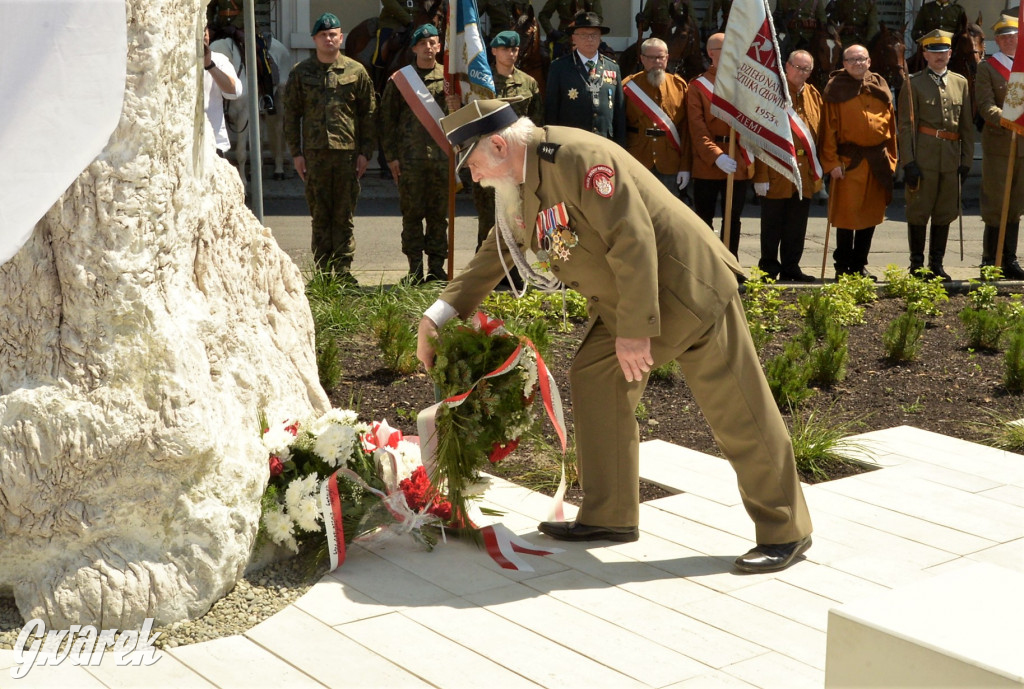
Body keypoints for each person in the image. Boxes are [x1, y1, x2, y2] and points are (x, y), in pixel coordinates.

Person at [417, 99, 813, 573]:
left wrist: (633, 332)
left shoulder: (578, 159)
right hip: (629, 300)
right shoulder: (520, 178)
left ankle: (785, 530)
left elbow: (633, 237)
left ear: (499, 144)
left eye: (474, 164)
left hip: (685, 290)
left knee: (738, 411)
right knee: (595, 376)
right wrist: (439, 314)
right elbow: (501, 245)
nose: (474, 177)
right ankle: (610, 514)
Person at [282, 13, 375, 276]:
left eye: (333, 34)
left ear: (341, 37)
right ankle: (324, 274)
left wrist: (366, 153)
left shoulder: (357, 72)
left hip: (347, 156)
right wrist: (296, 154)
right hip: (314, 156)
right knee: (320, 215)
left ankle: (343, 272)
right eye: (323, 35)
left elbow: (368, 114)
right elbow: (291, 115)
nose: (328, 38)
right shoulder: (301, 73)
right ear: (314, 40)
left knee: (344, 215)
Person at [898, 30, 973, 281]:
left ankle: (937, 264)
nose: (940, 56)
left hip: (951, 159)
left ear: (950, 54)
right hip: (924, 158)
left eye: (944, 52)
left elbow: (966, 126)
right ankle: (917, 265)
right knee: (918, 211)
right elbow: (906, 126)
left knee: (945, 212)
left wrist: (966, 160)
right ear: (925, 54)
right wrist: (908, 162)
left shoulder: (961, 83)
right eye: (934, 52)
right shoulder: (913, 83)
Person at [380, 23, 450, 283]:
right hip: (410, 160)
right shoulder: (401, 80)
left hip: (441, 159)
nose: (428, 48)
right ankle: (415, 268)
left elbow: (457, 119)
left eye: (433, 43)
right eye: (423, 44)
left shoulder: (449, 78)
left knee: (438, 216)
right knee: (412, 215)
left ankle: (436, 267)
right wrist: (391, 157)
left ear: (439, 46)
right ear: (414, 48)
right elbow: (387, 120)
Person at [820, 44, 897, 280]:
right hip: (847, 162)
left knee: (870, 216)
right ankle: (842, 267)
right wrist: (831, 162)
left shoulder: (880, 86)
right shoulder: (836, 89)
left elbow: (891, 126)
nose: (857, 63)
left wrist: (892, 160)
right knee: (846, 216)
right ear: (843, 64)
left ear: (869, 61)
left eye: (861, 59)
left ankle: (859, 265)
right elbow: (828, 129)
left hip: (876, 161)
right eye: (851, 60)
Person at [752, 50, 823, 282]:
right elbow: (760, 136)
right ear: (786, 66)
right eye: (797, 67)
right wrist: (760, 175)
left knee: (797, 224)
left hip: (804, 170)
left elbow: (819, 134)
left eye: (806, 69)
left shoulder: (813, 94)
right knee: (772, 223)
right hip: (776, 167)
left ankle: (792, 267)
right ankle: (769, 269)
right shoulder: (772, 93)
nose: (801, 72)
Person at [471, 31, 544, 253]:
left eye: (514, 49)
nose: (511, 53)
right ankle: (485, 267)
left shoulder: (528, 83)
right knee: (487, 216)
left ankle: (514, 269)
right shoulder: (482, 82)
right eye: (505, 49)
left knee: (517, 216)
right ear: (493, 51)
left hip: (516, 162)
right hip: (489, 159)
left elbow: (536, 122)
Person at [686, 32, 750, 258]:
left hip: (738, 158)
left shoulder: (744, 84)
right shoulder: (698, 86)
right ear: (711, 53)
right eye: (726, 49)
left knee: (733, 219)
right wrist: (716, 156)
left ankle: (731, 264)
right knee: (704, 218)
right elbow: (697, 128)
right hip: (709, 162)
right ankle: (705, 263)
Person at [976, 13, 1024, 279]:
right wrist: (1008, 120)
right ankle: (989, 260)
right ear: (997, 40)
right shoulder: (988, 67)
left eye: (1014, 36)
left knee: (1016, 203)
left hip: (1022, 148)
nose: (1009, 41)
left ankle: (1009, 259)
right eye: (1004, 37)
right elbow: (985, 105)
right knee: (996, 202)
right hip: (999, 145)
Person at [622, 37, 691, 198]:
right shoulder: (628, 86)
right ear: (642, 59)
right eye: (652, 58)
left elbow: (686, 130)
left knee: (668, 215)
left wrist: (685, 166)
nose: (657, 61)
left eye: (661, 57)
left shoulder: (679, 86)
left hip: (670, 161)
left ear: (667, 58)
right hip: (637, 159)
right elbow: (620, 126)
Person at [544, 12, 625, 145]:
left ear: (600, 38)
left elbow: (619, 113)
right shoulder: (559, 67)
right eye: (583, 35)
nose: (589, 39)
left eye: (594, 35)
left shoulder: (612, 67)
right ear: (573, 38)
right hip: (571, 145)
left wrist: (620, 147)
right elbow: (551, 112)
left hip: (605, 144)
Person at [202, 25, 244, 158]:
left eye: (205, 31)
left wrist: (209, 65)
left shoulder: (219, 60)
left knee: (261, 55)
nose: (203, 35)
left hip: (215, 144)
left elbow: (235, 92)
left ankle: (268, 95)